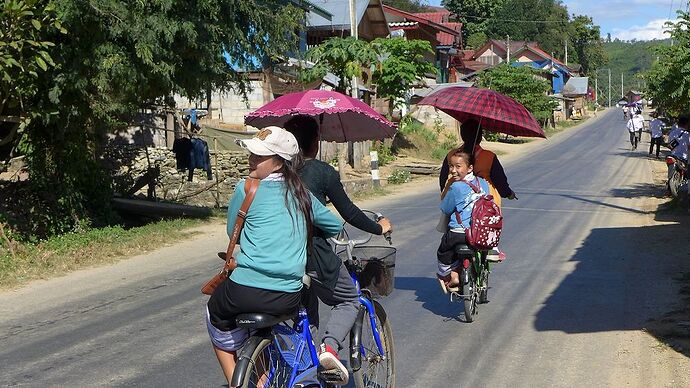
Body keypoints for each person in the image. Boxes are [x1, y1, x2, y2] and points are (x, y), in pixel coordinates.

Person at [205, 126, 342, 384]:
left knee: (214, 315)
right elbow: (334, 226)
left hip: (243, 291)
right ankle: (263, 378)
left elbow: (231, 229)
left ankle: (241, 380)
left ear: (280, 162)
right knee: (263, 327)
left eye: (259, 156)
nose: (251, 159)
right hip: (287, 296)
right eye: (252, 154)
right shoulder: (303, 193)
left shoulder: (246, 189)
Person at [284, 115, 392, 385]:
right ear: (315, 142)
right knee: (349, 299)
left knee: (306, 314)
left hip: (280, 254)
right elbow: (349, 213)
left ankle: (304, 367)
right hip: (313, 253)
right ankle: (329, 348)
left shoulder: (277, 173)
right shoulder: (321, 172)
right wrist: (379, 228)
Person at [439, 119, 515, 261]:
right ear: (480, 136)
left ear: (462, 135)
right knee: (489, 222)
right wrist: (508, 193)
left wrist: (444, 192)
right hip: (485, 198)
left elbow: (443, 176)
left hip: (456, 195)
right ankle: (492, 248)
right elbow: (500, 180)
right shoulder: (489, 156)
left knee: (450, 225)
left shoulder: (452, 155)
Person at [436, 149, 490, 292]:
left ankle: (451, 275)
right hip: (480, 232)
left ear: (470, 167)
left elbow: (446, 209)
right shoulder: (483, 183)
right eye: (451, 166)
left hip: (458, 233)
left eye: (458, 166)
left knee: (443, 252)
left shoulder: (456, 186)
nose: (453, 170)